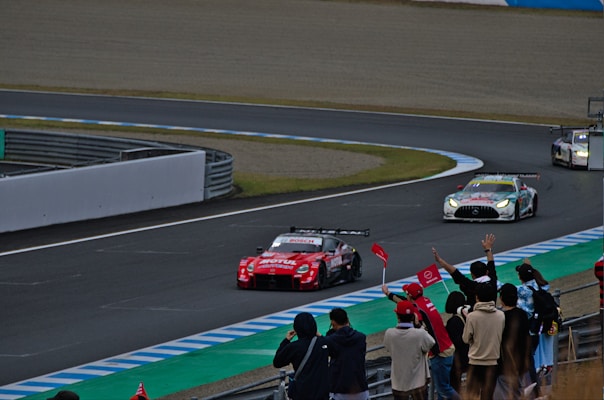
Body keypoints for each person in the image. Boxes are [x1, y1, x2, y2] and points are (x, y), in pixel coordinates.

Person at [384, 282, 460, 400]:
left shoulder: (416, 310)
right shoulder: (425, 301)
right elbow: (406, 303)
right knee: (442, 391)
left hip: (439, 353)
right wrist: (388, 294)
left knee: (443, 389)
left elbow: (411, 313)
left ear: (410, 296)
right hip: (446, 347)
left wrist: (417, 324)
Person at [383, 300, 435, 400]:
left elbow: (387, 347)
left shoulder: (389, 333)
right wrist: (419, 325)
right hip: (418, 382)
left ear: (397, 316)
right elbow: (431, 343)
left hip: (399, 383)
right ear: (413, 317)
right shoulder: (420, 334)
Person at [516, 259, 554, 395]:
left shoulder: (522, 290)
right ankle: (537, 390)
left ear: (521, 277)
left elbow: (502, 287)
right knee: (531, 362)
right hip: (537, 331)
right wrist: (529, 267)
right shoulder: (541, 286)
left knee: (528, 365)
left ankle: (534, 393)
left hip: (527, 333)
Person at [273, 312, 330, 400]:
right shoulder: (323, 342)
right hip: (322, 393)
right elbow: (332, 344)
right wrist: (319, 335)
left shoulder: (294, 347)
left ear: (296, 329)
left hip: (302, 393)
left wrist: (286, 340)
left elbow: (277, 362)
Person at [462, 282, 505, 400]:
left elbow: (465, 339)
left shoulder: (472, 317)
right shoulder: (501, 315)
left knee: (471, 396)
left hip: (475, 362)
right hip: (492, 363)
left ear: (477, 297)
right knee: (488, 396)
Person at [432, 233, 498, 308]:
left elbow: (456, 274)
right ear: (487, 272)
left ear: (472, 275)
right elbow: (491, 263)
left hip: (474, 314)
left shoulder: (471, 286)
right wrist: (488, 249)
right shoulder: (493, 280)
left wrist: (440, 260)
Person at [493, 283, 532, 400]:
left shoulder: (501, 318)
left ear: (502, 298)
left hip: (506, 365)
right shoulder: (522, 314)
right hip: (522, 363)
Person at [324, 307, 369, 400]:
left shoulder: (330, 340)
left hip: (339, 391)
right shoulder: (361, 337)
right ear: (347, 320)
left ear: (333, 323)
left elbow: (327, 347)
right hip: (360, 388)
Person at [444, 291, 470, 393]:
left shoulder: (453, 321)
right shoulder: (467, 317)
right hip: (469, 355)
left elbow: (454, 341)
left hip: (459, 359)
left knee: (454, 386)